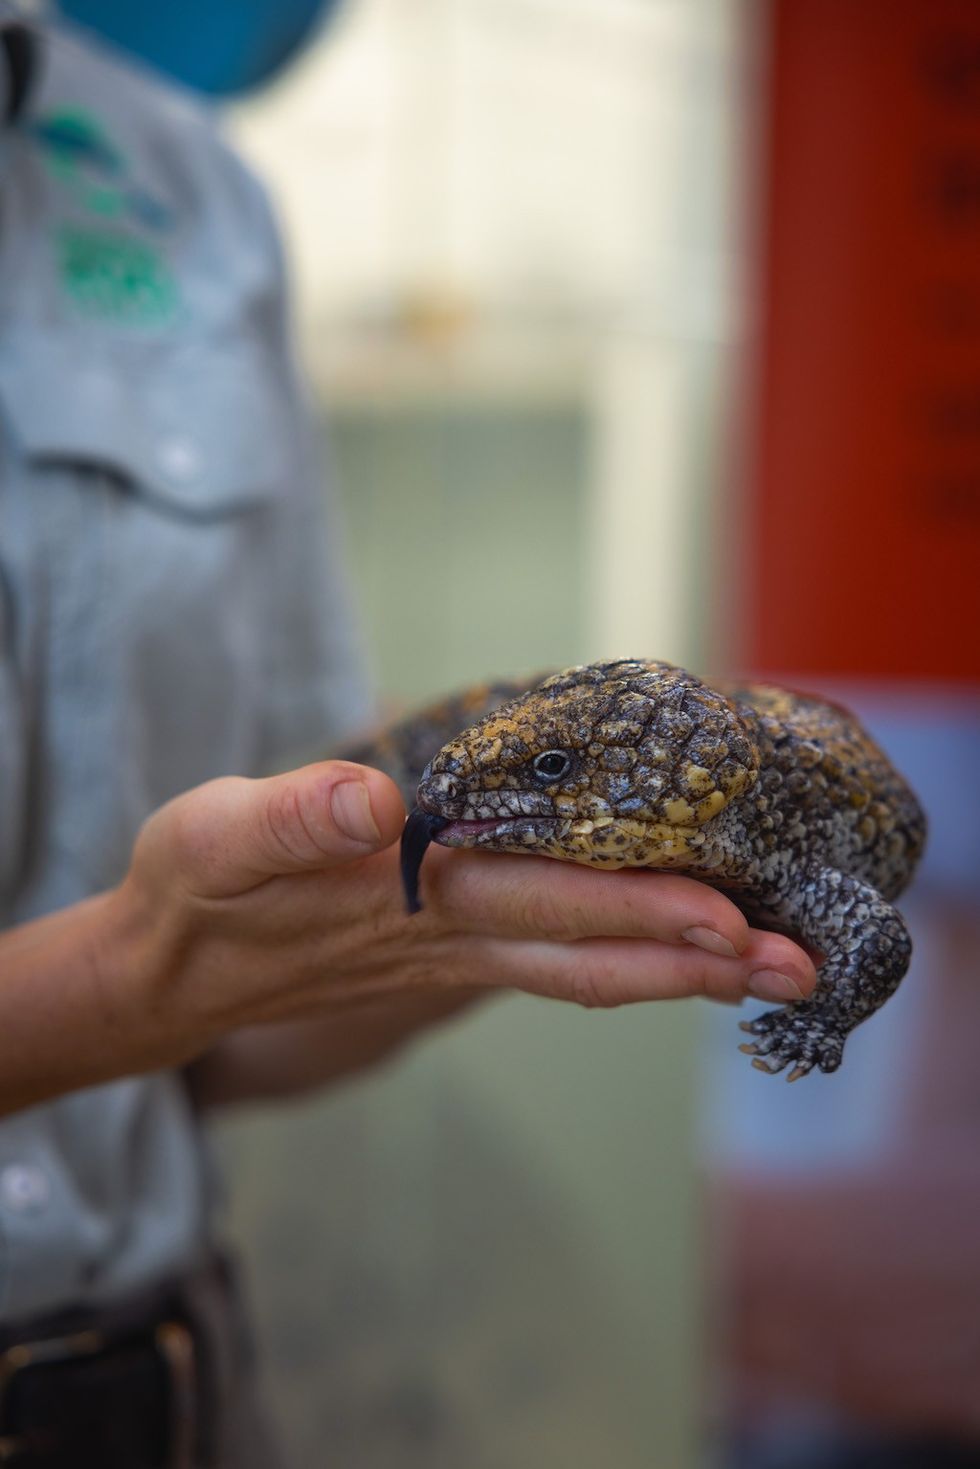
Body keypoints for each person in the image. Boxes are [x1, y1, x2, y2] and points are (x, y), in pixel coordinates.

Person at [0, 6, 818, 1464]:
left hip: (177, 1395)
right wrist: (130, 972)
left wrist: (456, 937)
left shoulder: (183, 187)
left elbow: (230, 1031)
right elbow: (164, 970)